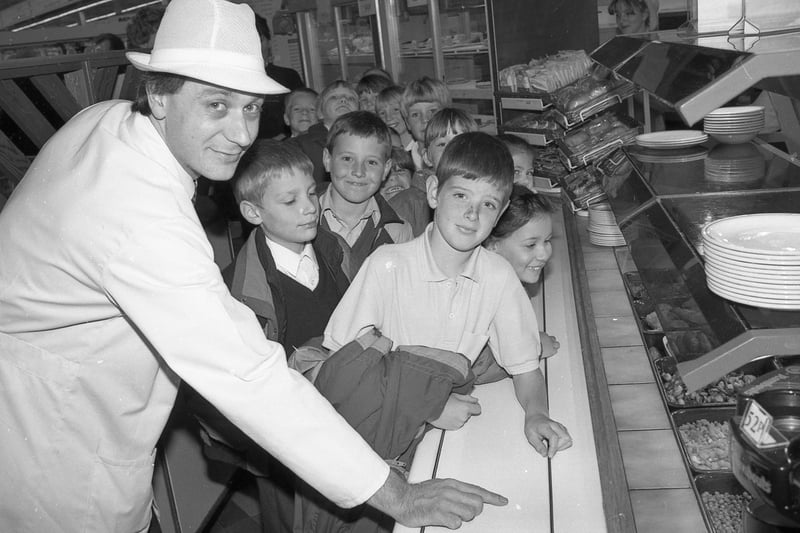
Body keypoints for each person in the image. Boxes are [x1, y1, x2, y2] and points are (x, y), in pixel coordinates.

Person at [0, 0, 506, 531]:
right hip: (55, 454)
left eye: (248, 107)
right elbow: (249, 376)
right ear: (157, 95)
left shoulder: (104, 119)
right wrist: (396, 494)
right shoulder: (136, 220)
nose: (243, 133)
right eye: (216, 105)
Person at [192, 140, 350, 533]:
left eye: (312, 193)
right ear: (252, 212)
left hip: (347, 417)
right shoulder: (236, 294)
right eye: (290, 200)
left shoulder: (337, 252)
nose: (310, 207)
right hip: (284, 445)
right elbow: (220, 387)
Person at [474, 185, 561, 384]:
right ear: (492, 245)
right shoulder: (481, 296)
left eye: (547, 240)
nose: (544, 254)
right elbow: (472, 373)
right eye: (531, 245)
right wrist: (533, 351)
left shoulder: (505, 281)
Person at [318, 110, 413, 280]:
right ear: (327, 160)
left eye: (371, 162)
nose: (358, 172)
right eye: (347, 159)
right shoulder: (303, 221)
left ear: (385, 169)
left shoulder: (397, 230)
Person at [289, 79, 359, 184]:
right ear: (320, 112)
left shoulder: (371, 141)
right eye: (334, 97)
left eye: (351, 98)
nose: (344, 100)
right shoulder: (299, 145)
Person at [254, 13, 305, 139]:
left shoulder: (288, 77)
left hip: (285, 146)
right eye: (251, 42)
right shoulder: (231, 81)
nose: (256, 47)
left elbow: (306, 114)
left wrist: (282, 138)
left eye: (260, 40)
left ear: (268, 42)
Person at [411, 107, 478, 192]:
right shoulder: (411, 201)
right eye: (442, 144)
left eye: (460, 143)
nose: (451, 149)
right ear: (427, 157)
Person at [401, 76, 451, 170]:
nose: (425, 119)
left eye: (432, 111)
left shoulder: (460, 156)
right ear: (407, 123)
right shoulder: (403, 165)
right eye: (415, 114)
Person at [381, 147, 430, 237]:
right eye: (386, 174)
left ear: (412, 176)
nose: (393, 177)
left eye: (400, 171)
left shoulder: (428, 206)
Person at [376, 85, 414, 150]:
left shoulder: (420, 148)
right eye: (382, 113)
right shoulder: (381, 151)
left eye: (396, 109)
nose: (388, 118)